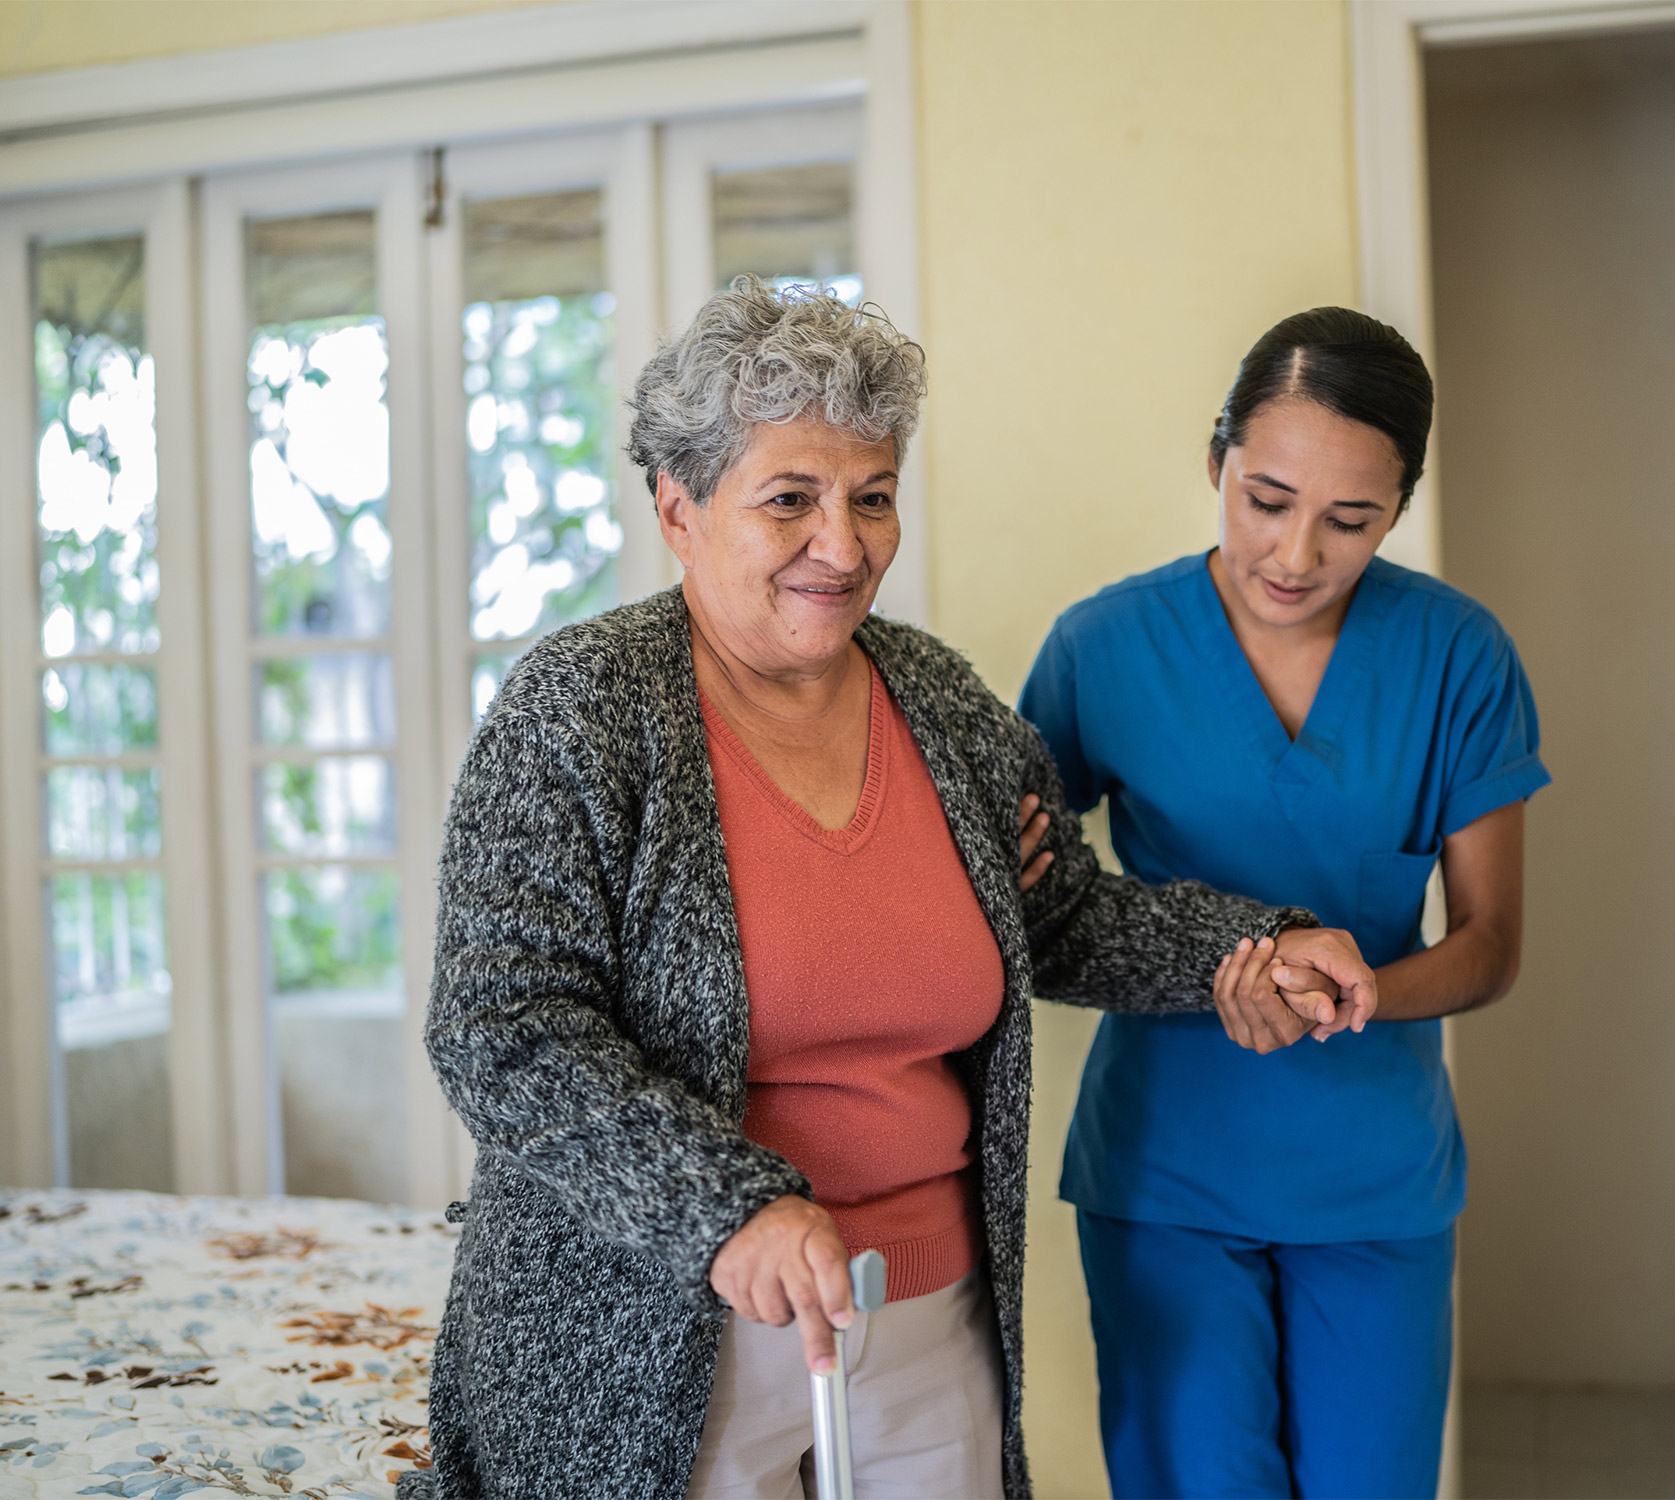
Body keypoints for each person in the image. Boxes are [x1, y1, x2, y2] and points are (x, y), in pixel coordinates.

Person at [400, 279, 1377, 1500]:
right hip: (656, 1322)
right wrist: (729, 1210)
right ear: (678, 508)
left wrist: (1254, 941)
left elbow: (1059, 919)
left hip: (930, 1313)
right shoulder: (580, 712)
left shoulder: (942, 704)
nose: (843, 544)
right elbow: (502, 1028)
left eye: (871, 498)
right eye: (789, 501)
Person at [1018, 306, 1550, 1500]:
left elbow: (1490, 944)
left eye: (1348, 520)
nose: (1295, 554)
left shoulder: (1459, 658)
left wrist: (1360, 988)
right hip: (1163, 1175)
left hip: (1373, 1182)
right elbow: (1027, 912)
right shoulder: (1100, 649)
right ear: (1216, 463)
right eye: (1265, 499)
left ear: (1397, 510)